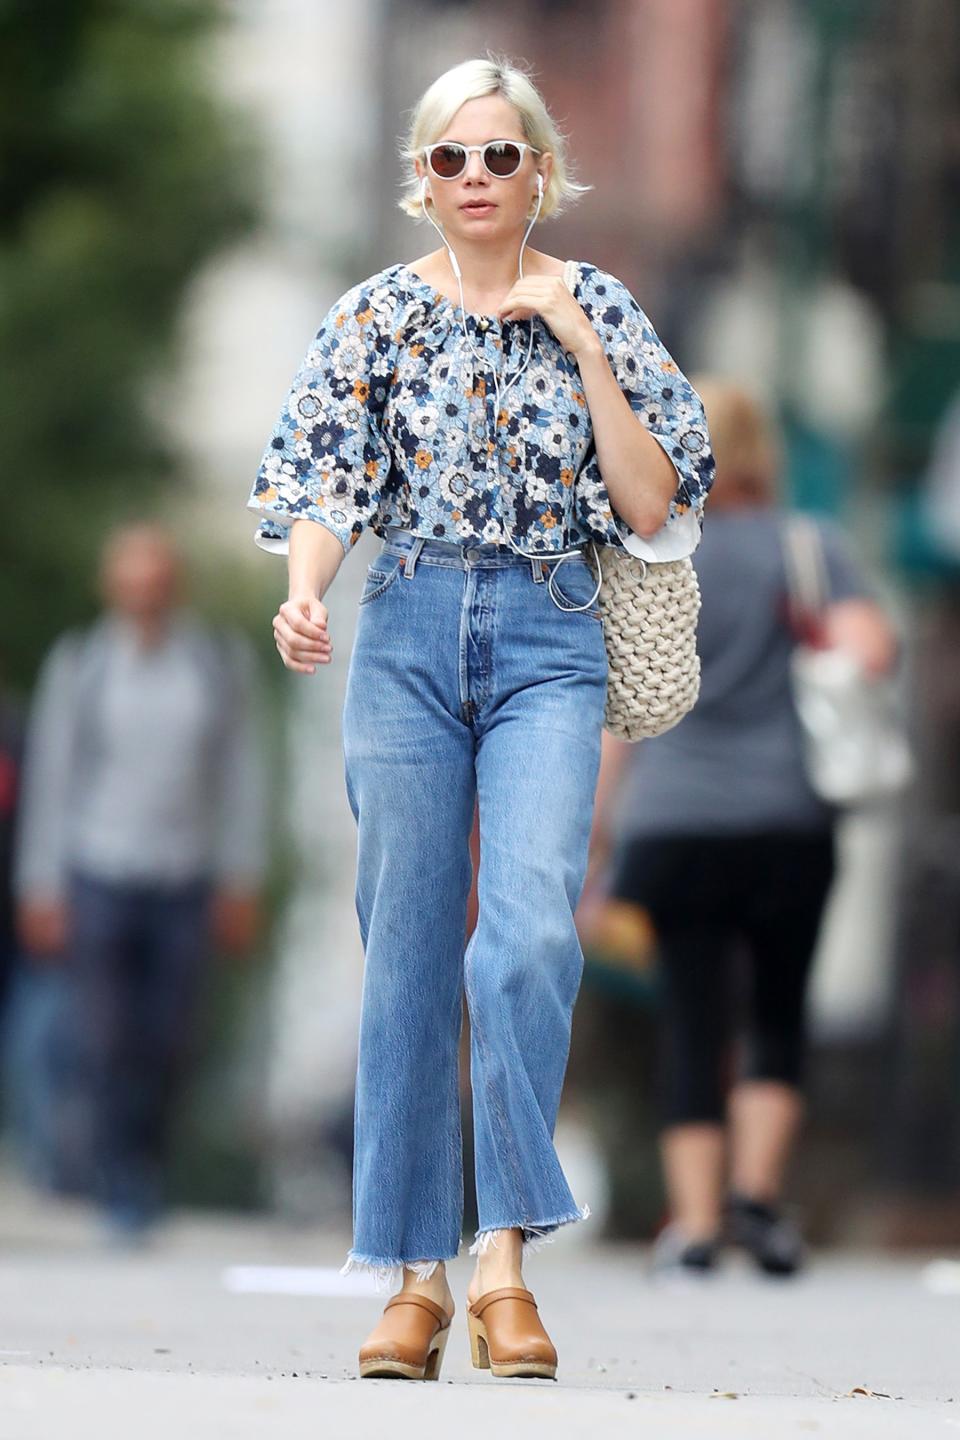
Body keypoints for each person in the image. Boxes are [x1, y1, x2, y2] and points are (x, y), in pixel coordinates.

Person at [246, 55, 714, 1381]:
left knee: (519, 940)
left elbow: (647, 500)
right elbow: (327, 479)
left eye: (501, 156)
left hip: (549, 638)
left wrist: (576, 337)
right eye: (450, 158)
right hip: (402, 632)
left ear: (542, 175)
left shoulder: (604, 306)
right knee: (402, 947)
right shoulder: (375, 318)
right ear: (420, 180)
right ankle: (413, 1277)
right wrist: (303, 592)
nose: (475, 178)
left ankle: (505, 1253)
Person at [593, 379, 898, 1279]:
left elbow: (621, 713)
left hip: (673, 818)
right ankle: (759, 1204)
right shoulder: (808, 548)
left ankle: (691, 1226)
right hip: (786, 816)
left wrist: (596, 843)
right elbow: (871, 649)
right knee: (776, 1005)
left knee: (690, 1014)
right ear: (764, 451)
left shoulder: (649, 554)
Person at [13, 521, 266, 1241]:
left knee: (171, 1034)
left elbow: (239, 775)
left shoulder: (215, 665)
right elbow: (54, 780)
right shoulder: (83, 665)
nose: (144, 596)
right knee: (104, 1033)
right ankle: (117, 1176)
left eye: (155, 581)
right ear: (114, 589)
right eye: (132, 582)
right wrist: (41, 885)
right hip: (99, 871)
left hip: (185, 875)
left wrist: (240, 875)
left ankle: (147, 1160)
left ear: (173, 586)